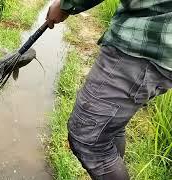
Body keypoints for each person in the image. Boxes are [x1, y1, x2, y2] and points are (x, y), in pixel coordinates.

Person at [46, 0, 172, 179]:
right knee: (110, 131)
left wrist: (65, 5)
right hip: (158, 48)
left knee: (87, 139)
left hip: (142, 46)